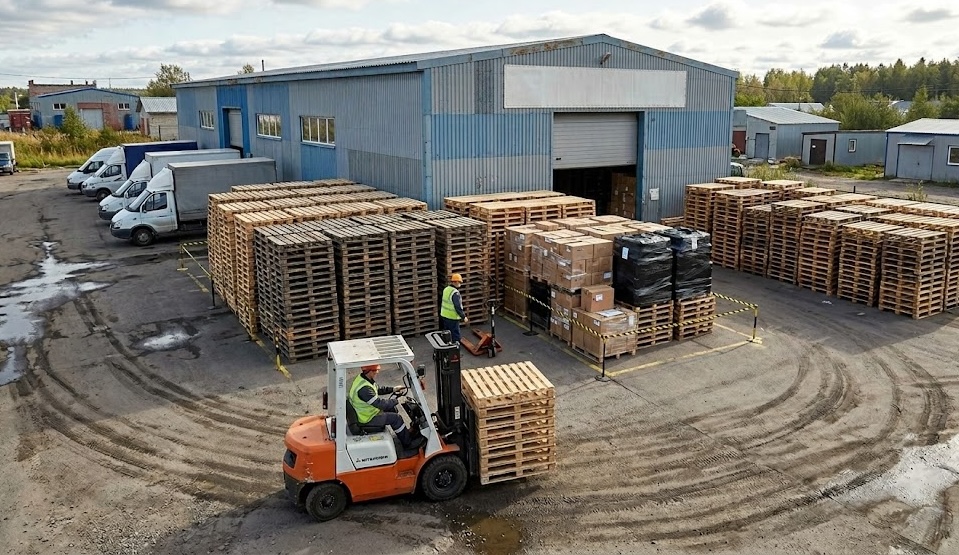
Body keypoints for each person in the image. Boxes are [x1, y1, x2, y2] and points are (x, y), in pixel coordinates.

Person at [348, 364, 424, 450]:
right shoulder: (364, 389)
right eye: (375, 371)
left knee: (392, 409)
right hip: (367, 419)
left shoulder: (363, 380)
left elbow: (377, 390)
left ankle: (405, 433)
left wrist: (394, 389)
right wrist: (396, 400)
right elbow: (380, 404)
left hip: (366, 413)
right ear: (369, 371)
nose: (377, 373)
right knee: (396, 418)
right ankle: (408, 444)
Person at [440, 273, 468, 343]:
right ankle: (456, 350)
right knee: (455, 334)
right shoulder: (455, 293)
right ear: (455, 282)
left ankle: (446, 346)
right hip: (452, 317)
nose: (460, 284)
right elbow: (457, 307)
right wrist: (463, 317)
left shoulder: (446, 289)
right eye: (459, 282)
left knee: (447, 333)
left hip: (444, 315)